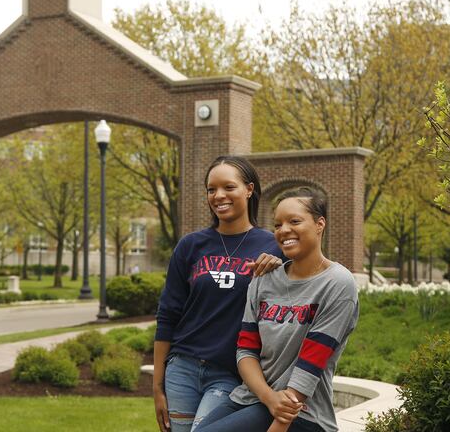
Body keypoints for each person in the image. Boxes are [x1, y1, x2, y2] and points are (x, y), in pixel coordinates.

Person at [195, 187, 359, 432]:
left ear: (319, 223)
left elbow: (310, 364)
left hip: (302, 412)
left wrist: (280, 422)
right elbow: (246, 351)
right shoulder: (263, 279)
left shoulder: (337, 283)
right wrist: (269, 398)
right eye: (277, 224)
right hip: (254, 398)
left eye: (294, 221)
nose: (284, 231)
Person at [153, 156, 286, 432]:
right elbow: (168, 315)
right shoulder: (190, 246)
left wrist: (278, 268)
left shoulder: (273, 247)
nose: (218, 196)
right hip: (182, 369)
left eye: (228, 187)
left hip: (230, 373)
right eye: (211, 190)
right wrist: (157, 387)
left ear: (249, 189)